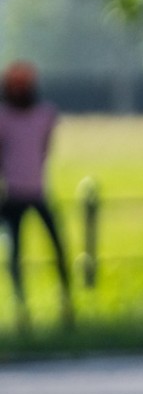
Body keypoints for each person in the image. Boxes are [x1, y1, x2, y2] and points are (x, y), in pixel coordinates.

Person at [0, 61, 73, 332]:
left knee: (58, 248)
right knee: (15, 254)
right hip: (13, 195)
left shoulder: (45, 114)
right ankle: (21, 308)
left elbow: (44, 150)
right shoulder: (3, 117)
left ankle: (67, 304)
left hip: (38, 192)